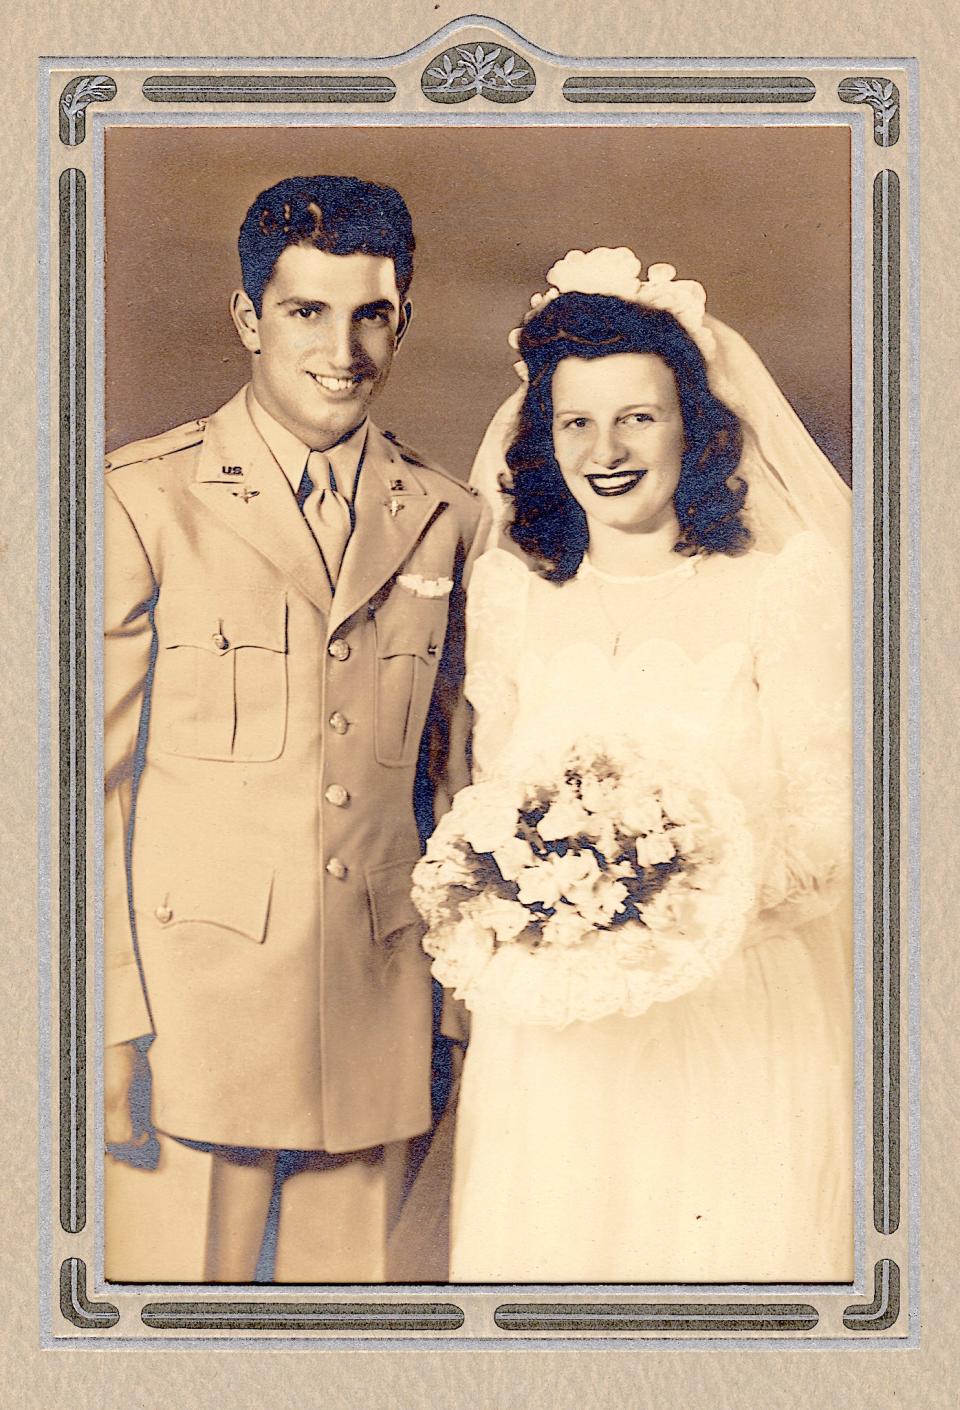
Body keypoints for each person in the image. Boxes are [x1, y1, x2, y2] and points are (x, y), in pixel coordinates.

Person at [438, 249, 853, 1282]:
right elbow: (493, 810)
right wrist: (546, 912)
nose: (607, 449)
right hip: (557, 1043)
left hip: (735, 1020)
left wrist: (673, 907)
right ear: (545, 437)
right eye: (577, 421)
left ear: (693, 428)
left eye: (639, 416)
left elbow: (832, 823)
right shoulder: (512, 595)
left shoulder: (779, 588)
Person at [102, 174, 487, 1283]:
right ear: (248, 320)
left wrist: (455, 1020)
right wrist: (100, 1021)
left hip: (378, 1017)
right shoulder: (141, 500)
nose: (343, 350)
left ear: (403, 317)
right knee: (167, 1347)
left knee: (353, 1357)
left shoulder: (447, 515)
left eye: (372, 313)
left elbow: (452, 783)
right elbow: (80, 787)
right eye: (307, 312)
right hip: (187, 1024)